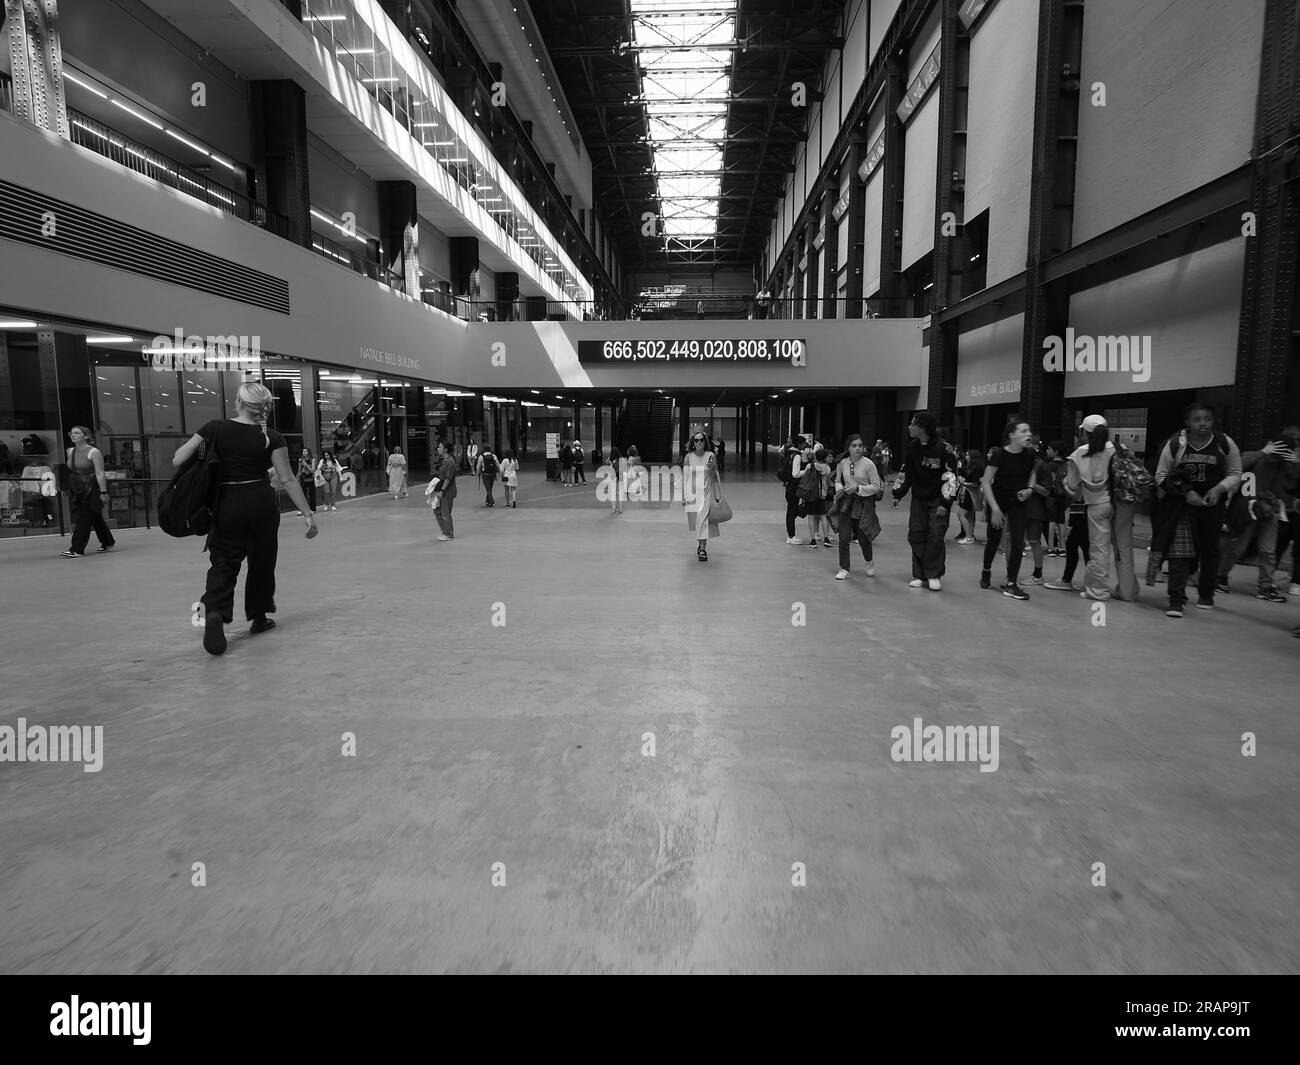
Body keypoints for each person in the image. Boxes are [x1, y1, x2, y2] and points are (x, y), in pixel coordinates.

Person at [172, 383, 316, 655]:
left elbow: (178, 460)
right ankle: (259, 617)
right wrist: (307, 514)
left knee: (224, 562)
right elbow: (287, 479)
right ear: (265, 408)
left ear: (238, 402)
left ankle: (214, 613)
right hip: (261, 502)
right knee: (262, 561)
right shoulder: (272, 436)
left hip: (226, 503)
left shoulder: (214, 428)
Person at [1154, 403, 1242, 614]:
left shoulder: (1224, 443)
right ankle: (1177, 599)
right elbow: (1161, 475)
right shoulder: (1176, 444)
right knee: (1179, 552)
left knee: (1210, 550)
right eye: (1196, 419)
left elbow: (1235, 473)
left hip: (1212, 506)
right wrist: (1186, 492)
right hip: (1180, 507)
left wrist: (1220, 488)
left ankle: (1206, 593)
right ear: (1187, 422)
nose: (1202, 423)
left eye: (1207, 419)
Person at [1215, 430, 1298, 602]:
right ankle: (1220, 577)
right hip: (1246, 510)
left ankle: (1265, 586)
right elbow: (1236, 467)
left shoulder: (1287, 466)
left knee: (1268, 550)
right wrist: (1263, 452)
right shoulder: (1255, 457)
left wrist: (1296, 463)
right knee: (1237, 548)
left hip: (1270, 512)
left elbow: (1293, 485)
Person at [892, 413, 957, 591]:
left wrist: (945, 503)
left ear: (923, 427)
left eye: (913, 424)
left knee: (936, 535)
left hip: (938, 499)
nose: (909, 427)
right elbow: (907, 472)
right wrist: (898, 493)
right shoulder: (912, 447)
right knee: (916, 534)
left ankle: (933, 574)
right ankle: (921, 574)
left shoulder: (943, 449)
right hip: (918, 499)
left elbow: (950, 477)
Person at [979, 419, 1038, 600]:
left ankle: (1011, 583)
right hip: (998, 500)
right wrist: (995, 509)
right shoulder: (999, 454)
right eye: (1023, 431)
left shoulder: (1030, 453)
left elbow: (1032, 473)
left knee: (1018, 541)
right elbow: (986, 482)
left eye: (1029, 431)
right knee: (994, 539)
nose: (1028, 434)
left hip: (1018, 501)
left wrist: (1030, 489)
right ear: (1012, 435)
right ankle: (986, 571)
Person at [1065, 415, 1116, 602]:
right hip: (1119, 503)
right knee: (1122, 550)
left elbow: (1072, 484)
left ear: (1085, 433)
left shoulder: (1081, 453)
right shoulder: (1117, 449)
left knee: (1098, 549)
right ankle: (1128, 590)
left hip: (1096, 504)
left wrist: (1066, 484)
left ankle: (1098, 591)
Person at [832, 434, 883, 581]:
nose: (858, 449)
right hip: (846, 502)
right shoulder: (842, 462)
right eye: (854, 446)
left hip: (864, 503)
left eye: (860, 445)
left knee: (863, 537)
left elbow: (876, 486)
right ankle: (844, 568)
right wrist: (839, 489)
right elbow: (837, 480)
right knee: (844, 537)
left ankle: (869, 561)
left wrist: (858, 488)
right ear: (848, 448)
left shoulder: (869, 464)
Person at [59, 426, 115, 557]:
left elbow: (100, 473)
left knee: (83, 517)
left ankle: (77, 548)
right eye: (71, 433)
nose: (73, 435)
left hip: (91, 489)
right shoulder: (70, 451)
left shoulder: (93, 452)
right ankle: (108, 541)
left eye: (77, 433)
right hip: (77, 488)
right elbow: (71, 470)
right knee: (94, 516)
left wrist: (103, 492)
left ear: (86, 436)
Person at [682, 430, 721, 561]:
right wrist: (683, 495)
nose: (699, 442)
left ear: (705, 442)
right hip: (693, 493)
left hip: (706, 492)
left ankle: (703, 548)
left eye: (701, 440)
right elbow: (685, 476)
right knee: (698, 521)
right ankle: (701, 544)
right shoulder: (688, 457)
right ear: (693, 443)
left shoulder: (711, 456)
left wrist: (712, 469)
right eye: (696, 440)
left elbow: (716, 475)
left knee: (703, 519)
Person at [802, 446, 833, 548]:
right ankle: (826, 539)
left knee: (811, 516)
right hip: (822, 495)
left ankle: (813, 541)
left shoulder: (810, 466)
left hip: (811, 495)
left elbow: (805, 478)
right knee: (823, 516)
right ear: (824, 458)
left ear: (815, 456)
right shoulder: (827, 468)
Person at [427, 440, 458, 541]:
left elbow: (448, 478)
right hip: (442, 489)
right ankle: (445, 531)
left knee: (445, 512)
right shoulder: (445, 460)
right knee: (437, 510)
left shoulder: (450, 461)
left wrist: (442, 490)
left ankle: (448, 534)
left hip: (447, 491)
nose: (438, 449)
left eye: (440, 447)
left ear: (446, 449)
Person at [780, 435, 806, 544]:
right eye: (804, 443)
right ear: (799, 444)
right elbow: (795, 474)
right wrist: (807, 470)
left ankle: (791, 535)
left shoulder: (789, 453)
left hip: (789, 486)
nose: (805, 445)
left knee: (791, 510)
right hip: (794, 487)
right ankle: (791, 536)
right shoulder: (797, 456)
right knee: (791, 511)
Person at [955, 447, 984, 544]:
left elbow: (976, 483)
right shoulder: (968, 466)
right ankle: (970, 536)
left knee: (961, 514)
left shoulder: (977, 468)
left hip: (971, 493)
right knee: (970, 516)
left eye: (968, 455)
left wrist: (964, 483)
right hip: (967, 491)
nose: (966, 456)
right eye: (966, 454)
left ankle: (968, 536)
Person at [296, 447, 316, 513]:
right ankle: (302, 510)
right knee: (302, 494)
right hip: (303, 477)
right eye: (303, 451)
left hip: (310, 477)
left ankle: (312, 509)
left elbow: (312, 470)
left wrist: (306, 464)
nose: (303, 453)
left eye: (305, 451)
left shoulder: (313, 459)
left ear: (308, 452)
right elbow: (299, 471)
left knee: (311, 493)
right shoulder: (300, 460)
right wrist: (297, 477)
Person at [607, 446, 625, 514]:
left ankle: (614, 508)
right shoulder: (622, 459)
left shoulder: (610, 459)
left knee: (613, 493)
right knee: (621, 493)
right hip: (620, 477)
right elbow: (624, 468)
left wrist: (610, 459)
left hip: (613, 477)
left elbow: (606, 462)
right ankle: (620, 508)